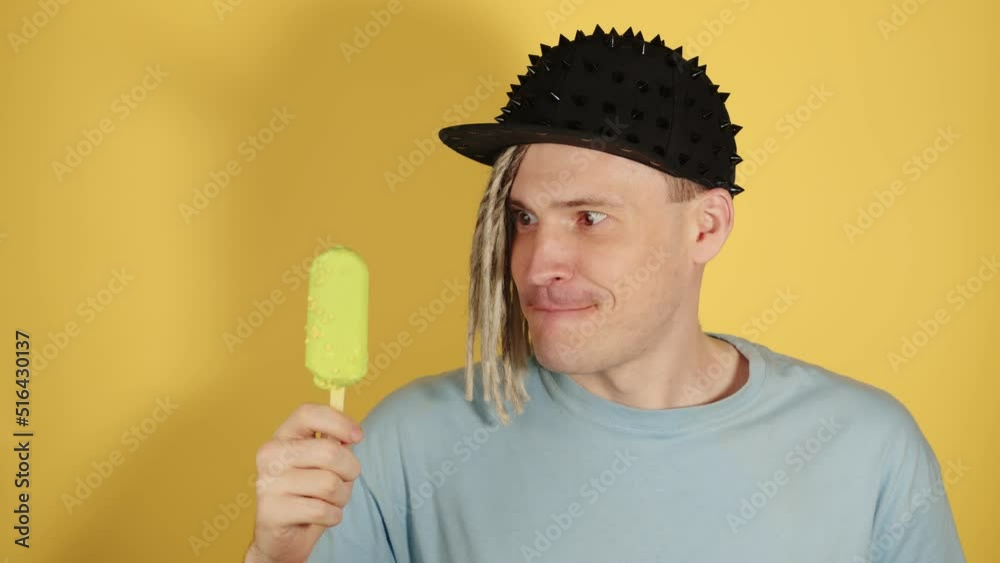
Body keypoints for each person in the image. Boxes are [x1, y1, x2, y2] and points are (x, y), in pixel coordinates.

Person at [244, 25, 967, 563]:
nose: (537, 263)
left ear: (706, 227)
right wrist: (274, 560)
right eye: (524, 219)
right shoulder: (403, 444)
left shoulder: (865, 448)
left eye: (589, 218)